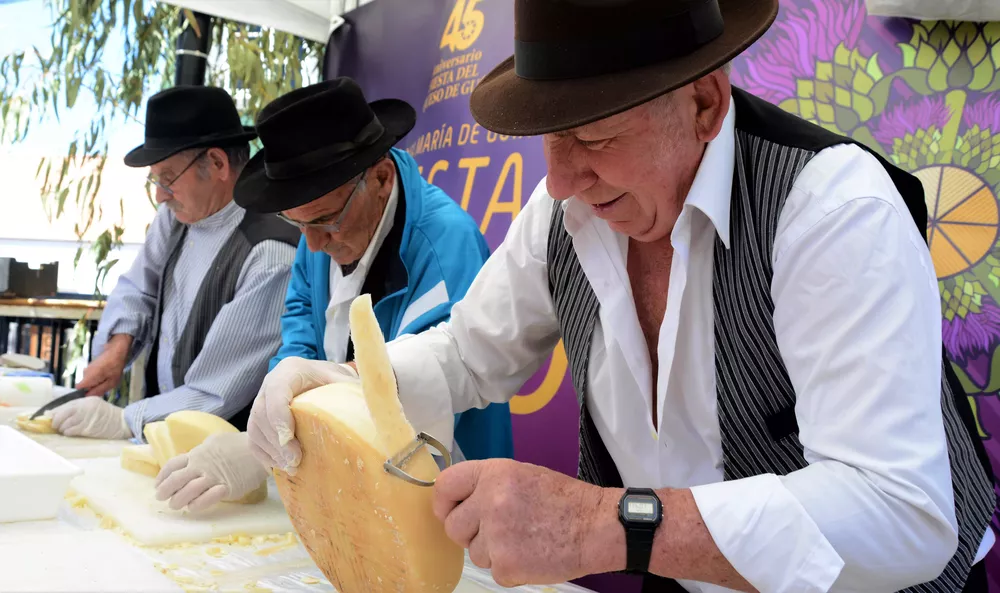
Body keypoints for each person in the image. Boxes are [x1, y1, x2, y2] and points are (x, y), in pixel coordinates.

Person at [247, 1, 999, 592]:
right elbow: (465, 357)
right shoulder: (562, 215)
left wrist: (606, 523)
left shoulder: (831, 209)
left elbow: (903, 512)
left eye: (596, 137)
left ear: (705, 103)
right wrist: (340, 385)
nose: (565, 179)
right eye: (550, 137)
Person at [153, 78, 514, 512]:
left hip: (444, 494)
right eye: (296, 224)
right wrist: (278, 410)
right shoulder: (313, 234)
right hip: (348, 487)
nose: (313, 245)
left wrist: (269, 446)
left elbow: (412, 391)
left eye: (326, 220)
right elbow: (298, 340)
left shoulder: (446, 246)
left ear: (380, 178)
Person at [51, 86, 299, 444]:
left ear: (217, 164)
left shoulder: (271, 254)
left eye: (166, 178)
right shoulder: (176, 217)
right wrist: (117, 349)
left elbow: (217, 392)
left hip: (227, 453)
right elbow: (138, 287)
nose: (159, 195)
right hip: (165, 433)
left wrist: (125, 421)